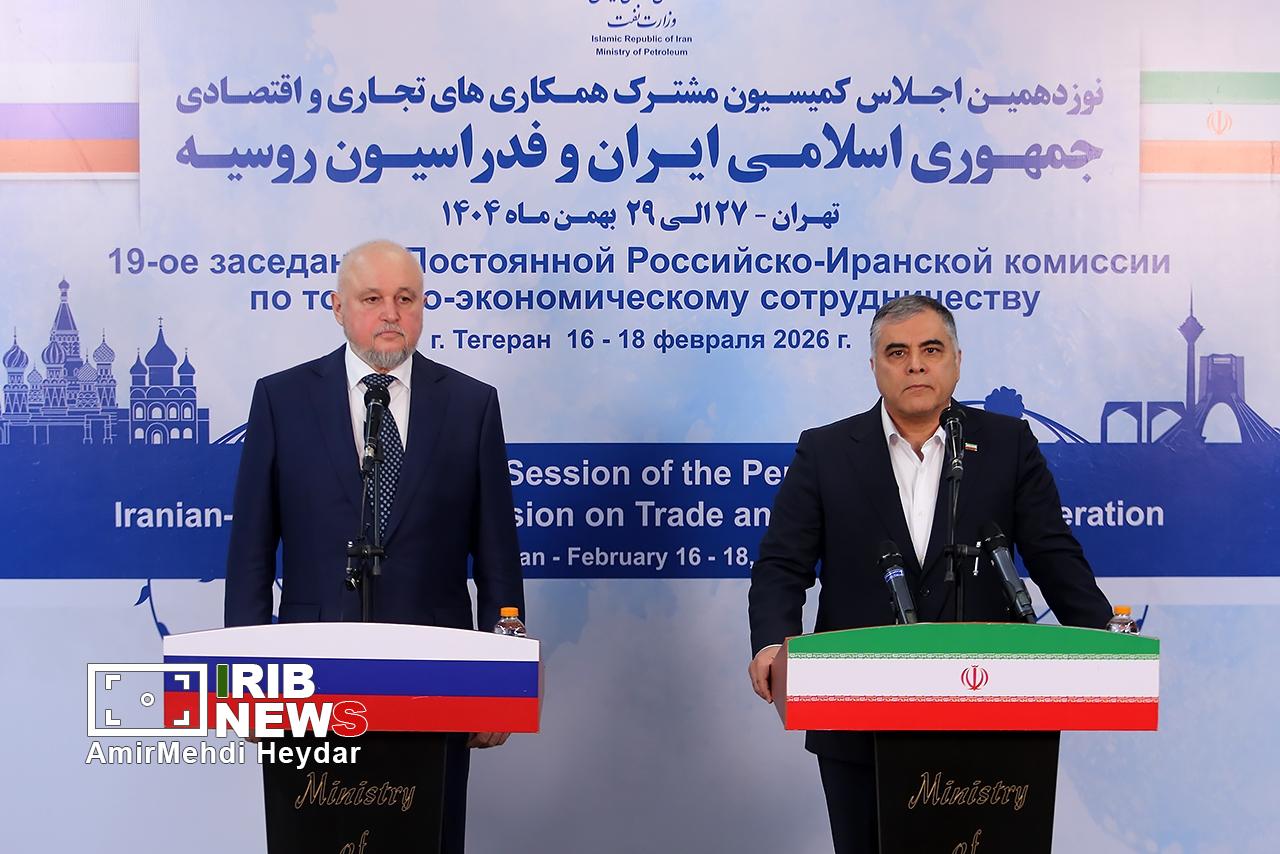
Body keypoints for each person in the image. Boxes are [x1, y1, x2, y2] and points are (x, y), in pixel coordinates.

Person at [746, 295, 1111, 853]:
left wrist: (1104, 635)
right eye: (897, 352)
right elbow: (782, 563)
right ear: (874, 366)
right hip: (858, 718)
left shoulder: (1007, 444)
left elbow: (1053, 554)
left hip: (990, 715)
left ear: (957, 361)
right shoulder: (825, 451)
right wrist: (773, 643)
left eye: (931, 349)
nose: (915, 364)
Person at [225, 239, 525, 853]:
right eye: (372, 299)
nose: (391, 313)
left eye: (405, 299)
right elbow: (251, 552)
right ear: (338, 307)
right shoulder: (281, 400)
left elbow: (498, 558)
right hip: (307, 684)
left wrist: (503, 681)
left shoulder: (471, 405)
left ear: (422, 308)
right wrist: (242, 684)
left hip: (437, 678)